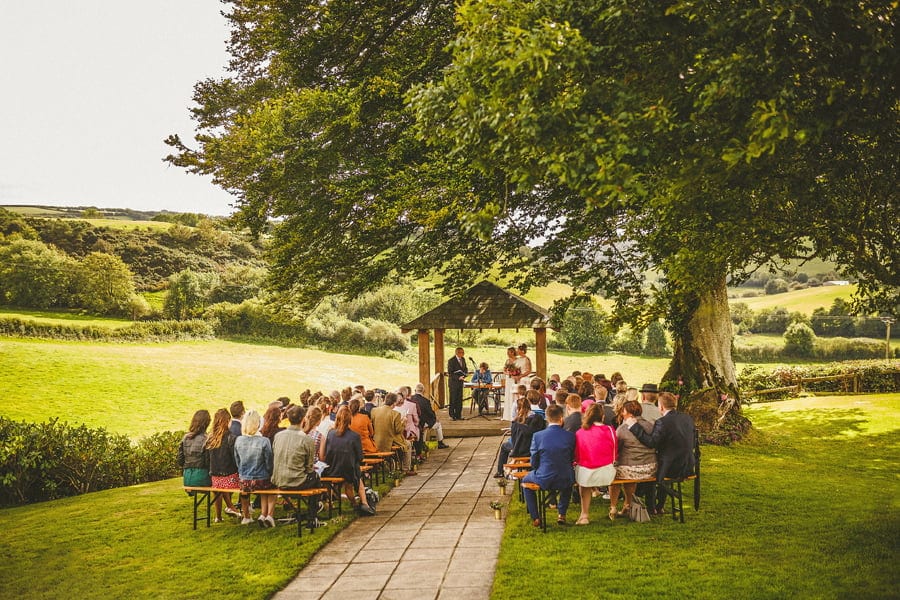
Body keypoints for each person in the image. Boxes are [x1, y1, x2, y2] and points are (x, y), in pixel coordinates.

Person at [627, 392, 696, 515]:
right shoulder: (687, 418)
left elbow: (651, 442)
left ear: (661, 407)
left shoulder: (662, 422)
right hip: (688, 464)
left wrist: (634, 426)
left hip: (671, 468)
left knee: (651, 470)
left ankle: (651, 506)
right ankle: (659, 506)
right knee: (662, 463)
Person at [522, 404, 576, 527]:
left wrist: (537, 470)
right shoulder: (570, 436)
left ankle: (535, 516)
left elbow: (534, 459)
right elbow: (572, 457)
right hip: (565, 477)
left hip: (544, 477)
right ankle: (562, 513)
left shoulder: (538, 436)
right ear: (562, 418)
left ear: (547, 418)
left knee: (525, 481)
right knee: (568, 482)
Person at [323, 406, 376, 515]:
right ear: (350, 419)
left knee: (349, 478)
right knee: (357, 480)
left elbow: (328, 454)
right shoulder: (354, 436)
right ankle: (364, 503)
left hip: (333, 469)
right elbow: (360, 457)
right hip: (349, 471)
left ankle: (335, 501)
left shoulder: (331, 434)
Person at [608, 400, 657, 517]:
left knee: (612, 474)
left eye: (623, 411)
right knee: (625, 471)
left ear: (629, 414)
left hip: (631, 469)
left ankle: (613, 506)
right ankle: (627, 504)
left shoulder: (622, 429)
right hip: (650, 468)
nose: (622, 414)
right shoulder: (650, 425)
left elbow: (616, 450)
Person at [272, 405, 319, 524]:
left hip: (279, 479)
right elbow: (309, 468)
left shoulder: (278, 436)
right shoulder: (307, 440)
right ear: (303, 419)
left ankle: (308, 512)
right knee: (316, 477)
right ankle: (312, 517)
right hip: (296, 481)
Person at [573, 403, 618, 525]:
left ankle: (584, 514)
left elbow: (577, 455)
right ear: (602, 416)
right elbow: (615, 451)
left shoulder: (580, 432)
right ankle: (613, 506)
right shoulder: (610, 430)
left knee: (583, 483)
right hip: (607, 472)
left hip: (586, 473)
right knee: (615, 473)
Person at [233, 410, 277, 527]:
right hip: (262, 480)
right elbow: (269, 463)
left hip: (244, 481)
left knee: (266, 485)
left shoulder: (238, 440)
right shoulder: (264, 441)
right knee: (272, 486)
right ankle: (268, 515)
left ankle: (260, 515)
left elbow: (237, 461)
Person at [494, 396, 546, 478]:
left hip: (520, 450)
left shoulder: (516, 422)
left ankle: (500, 471)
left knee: (504, 446)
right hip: (535, 448)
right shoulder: (539, 418)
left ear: (517, 408)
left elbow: (515, 440)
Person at [205, 408, 241, 522]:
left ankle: (218, 516)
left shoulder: (210, 438)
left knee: (218, 488)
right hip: (230, 477)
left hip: (215, 477)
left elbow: (207, 460)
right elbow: (235, 459)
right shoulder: (231, 438)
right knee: (241, 481)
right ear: (228, 421)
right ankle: (231, 507)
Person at [371, 392, 414, 475]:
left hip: (376, 440)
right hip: (389, 441)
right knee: (408, 444)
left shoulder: (374, 411)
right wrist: (404, 422)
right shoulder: (395, 414)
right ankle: (406, 468)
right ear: (394, 403)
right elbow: (398, 430)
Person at [409, 382, 449, 450]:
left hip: (412, 422)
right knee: (438, 425)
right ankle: (440, 442)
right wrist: (435, 418)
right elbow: (430, 413)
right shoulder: (426, 401)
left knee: (424, 426)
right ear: (423, 391)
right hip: (422, 422)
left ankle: (423, 443)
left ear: (415, 391)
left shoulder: (410, 399)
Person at [178, 409, 212, 487]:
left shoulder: (185, 438)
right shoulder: (206, 439)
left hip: (187, 478)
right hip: (202, 478)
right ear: (207, 423)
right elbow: (208, 462)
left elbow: (180, 461)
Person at [447, 347, 468, 420]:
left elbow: (465, 368)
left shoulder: (463, 359)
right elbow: (450, 373)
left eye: (463, 352)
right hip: (453, 383)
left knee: (459, 399)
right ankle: (452, 415)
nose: (463, 354)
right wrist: (458, 377)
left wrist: (465, 374)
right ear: (457, 353)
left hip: (460, 383)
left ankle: (458, 415)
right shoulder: (451, 361)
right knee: (453, 399)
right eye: (461, 352)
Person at [502, 346, 519, 421]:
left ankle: (516, 413)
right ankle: (508, 415)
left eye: (508, 352)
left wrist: (515, 374)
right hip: (509, 379)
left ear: (513, 352)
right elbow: (504, 370)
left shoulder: (518, 360)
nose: (507, 354)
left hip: (515, 379)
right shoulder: (507, 361)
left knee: (515, 395)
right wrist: (508, 373)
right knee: (508, 395)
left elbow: (519, 370)